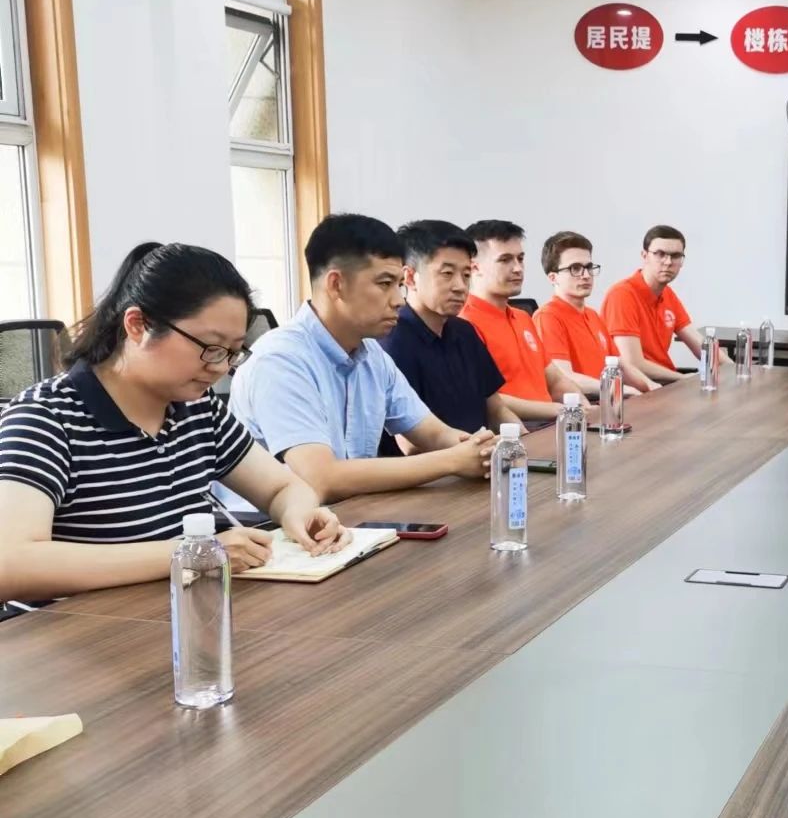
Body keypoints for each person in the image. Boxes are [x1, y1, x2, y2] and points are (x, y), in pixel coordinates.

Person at [0, 242, 347, 603]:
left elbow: (282, 488)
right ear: (138, 325)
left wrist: (301, 514)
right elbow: (10, 563)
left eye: (233, 352)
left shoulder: (196, 408)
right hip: (82, 630)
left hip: (182, 613)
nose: (220, 367)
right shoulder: (45, 419)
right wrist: (190, 553)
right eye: (210, 347)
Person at [226, 213, 497, 504]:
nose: (399, 300)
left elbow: (433, 433)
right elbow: (321, 479)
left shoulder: (372, 356)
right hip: (272, 527)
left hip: (351, 516)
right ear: (336, 285)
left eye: (399, 285)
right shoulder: (280, 360)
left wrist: (480, 448)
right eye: (385, 284)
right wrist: (453, 461)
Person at [379, 219, 521, 443]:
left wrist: (525, 444)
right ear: (410, 277)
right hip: (439, 462)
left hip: (481, 454)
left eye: (466, 275)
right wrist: (480, 451)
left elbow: (497, 410)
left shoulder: (465, 332)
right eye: (447, 273)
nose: (460, 286)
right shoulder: (392, 339)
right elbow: (412, 445)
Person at [462, 219, 585, 412]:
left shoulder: (523, 317)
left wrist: (583, 408)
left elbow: (556, 381)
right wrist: (559, 411)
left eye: (520, 259)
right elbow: (486, 399)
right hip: (515, 427)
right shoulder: (464, 324)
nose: (518, 268)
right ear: (474, 267)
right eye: (505, 260)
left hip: (552, 420)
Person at [533, 231, 653, 395]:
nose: (586, 275)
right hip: (583, 404)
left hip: (609, 399)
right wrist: (622, 390)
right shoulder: (547, 317)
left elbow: (621, 365)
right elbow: (563, 378)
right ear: (553, 278)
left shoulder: (593, 315)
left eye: (589, 267)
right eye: (575, 268)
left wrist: (650, 386)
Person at [601, 224, 709, 386]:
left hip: (664, 383)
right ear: (644, 256)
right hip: (638, 389)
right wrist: (683, 378)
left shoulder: (667, 294)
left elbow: (699, 344)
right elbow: (633, 364)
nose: (668, 262)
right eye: (660, 254)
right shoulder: (622, 295)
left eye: (675, 256)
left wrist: (731, 367)